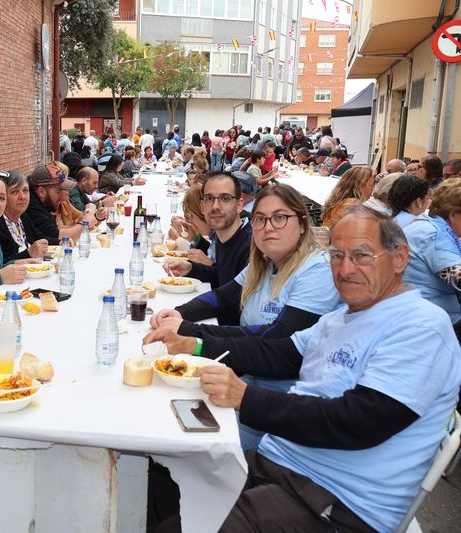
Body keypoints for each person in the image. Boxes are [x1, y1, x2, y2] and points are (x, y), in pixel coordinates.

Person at [164, 205, 461, 533]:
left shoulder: (421, 326)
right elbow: (277, 353)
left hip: (335, 503)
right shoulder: (339, 319)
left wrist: (246, 397)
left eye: (361, 256)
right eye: (337, 256)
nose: (345, 269)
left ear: (400, 258)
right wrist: (196, 343)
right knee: (168, 481)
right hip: (280, 468)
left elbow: (360, 421)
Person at [148, 184, 341, 449]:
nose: (268, 227)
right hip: (245, 379)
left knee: (178, 434)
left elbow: (277, 337)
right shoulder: (264, 263)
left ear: (303, 224)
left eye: (280, 217)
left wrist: (192, 333)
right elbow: (223, 296)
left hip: (280, 406)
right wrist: (179, 312)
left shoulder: (317, 272)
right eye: (260, 219)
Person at [389, 176, 461, 335]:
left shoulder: (429, 225)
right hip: (434, 323)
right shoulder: (434, 235)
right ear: (453, 215)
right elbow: (457, 278)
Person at [165, 172, 252, 288]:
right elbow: (220, 276)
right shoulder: (224, 237)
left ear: (239, 205)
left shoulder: (252, 246)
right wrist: (190, 268)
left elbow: (234, 293)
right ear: (202, 207)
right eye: (209, 198)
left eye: (225, 198)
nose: (215, 206)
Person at [25, 163, 100, 245]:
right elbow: (55, 235)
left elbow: (55, 231)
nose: (63, 197)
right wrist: (84, 225)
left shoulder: (44, 200)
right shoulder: (31, 205)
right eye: (58, 191)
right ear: (41, 192)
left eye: (66, 189)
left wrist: (95, 218)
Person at [0, 170, 52, 264]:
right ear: (3, 196)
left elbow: (38, 236)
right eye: (15, 192)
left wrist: (61, 242)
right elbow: (0, 263)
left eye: (25, 191)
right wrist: (28, 253)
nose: (22, 197)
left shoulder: (23, 217)